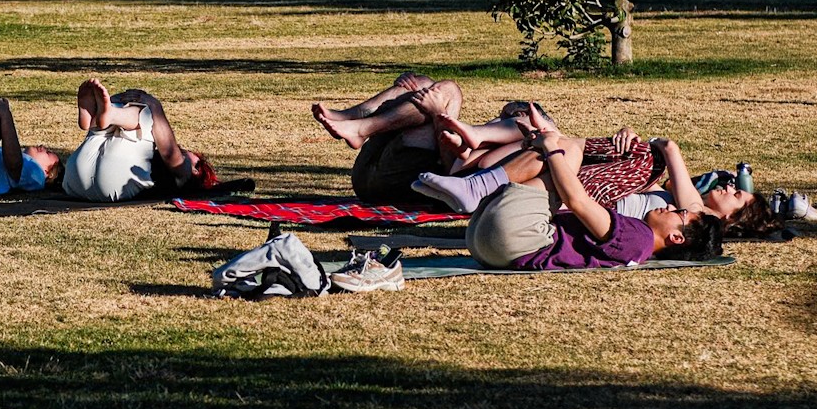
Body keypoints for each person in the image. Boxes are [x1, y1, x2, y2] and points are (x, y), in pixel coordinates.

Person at [466, 106, 725, 269]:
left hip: (513, 236)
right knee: (562, 155)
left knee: (567, 153)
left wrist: (552, 151)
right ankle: (542, 138)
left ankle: (543, 140)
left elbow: (578, 200)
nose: (669, 206)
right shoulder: (639, 243)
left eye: (679, 213)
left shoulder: (639, 238)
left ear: (676, 238)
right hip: (489, 247)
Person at [311, 72, 464, 205]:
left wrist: (438, 113)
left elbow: (454, 174)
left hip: (392, 184)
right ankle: (355, 116)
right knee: (423, 83)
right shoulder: (487, 132)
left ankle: (362, 127)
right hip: (369, 173)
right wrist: (404, 94)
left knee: (448, 91)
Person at [64, 78, 217, 202]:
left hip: (99, 178)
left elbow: (170, 153)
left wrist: (154, 104)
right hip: (78, 178)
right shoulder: (148, 159)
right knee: (113, 127)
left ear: (196, 171)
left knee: (147, 114)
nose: (185, 150)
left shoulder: (185, 176)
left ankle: (103, 113)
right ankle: (102, 114)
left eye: (193, 155)